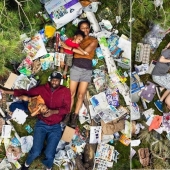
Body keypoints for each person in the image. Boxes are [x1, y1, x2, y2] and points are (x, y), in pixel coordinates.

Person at [0, 71, 71, 170]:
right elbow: (25, 93)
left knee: (50, 155)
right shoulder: (42, 89)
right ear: (50, 80)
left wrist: (52, 112)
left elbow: (67, 109)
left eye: (57, 80)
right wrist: (6, 91)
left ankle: (48, 166)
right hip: (41, 124)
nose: (54, 82)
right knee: (36, 151)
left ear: (60, 81)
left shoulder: (65, 91)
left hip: (55, 126)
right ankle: (26, 165)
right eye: (53, 80)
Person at [61, 20, 98, 128]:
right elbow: (65, 45)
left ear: (89, 29)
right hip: (76, 67)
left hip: (87, 69)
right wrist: (64, 52)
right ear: (79, 29)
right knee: (71, 93)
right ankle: (67, 114)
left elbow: (86, 51)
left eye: (87, 27)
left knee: (81, 94)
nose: (85, 30)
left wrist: (69, 48)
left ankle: (75, 116)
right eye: (83, 28)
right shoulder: (76, 38)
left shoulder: (93, 40)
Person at [152, 43, 170, 112]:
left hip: (163, 74)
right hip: (157, 76)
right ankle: (159, 101)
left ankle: (161, 88)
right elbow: (161, 60)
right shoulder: (168, 52)